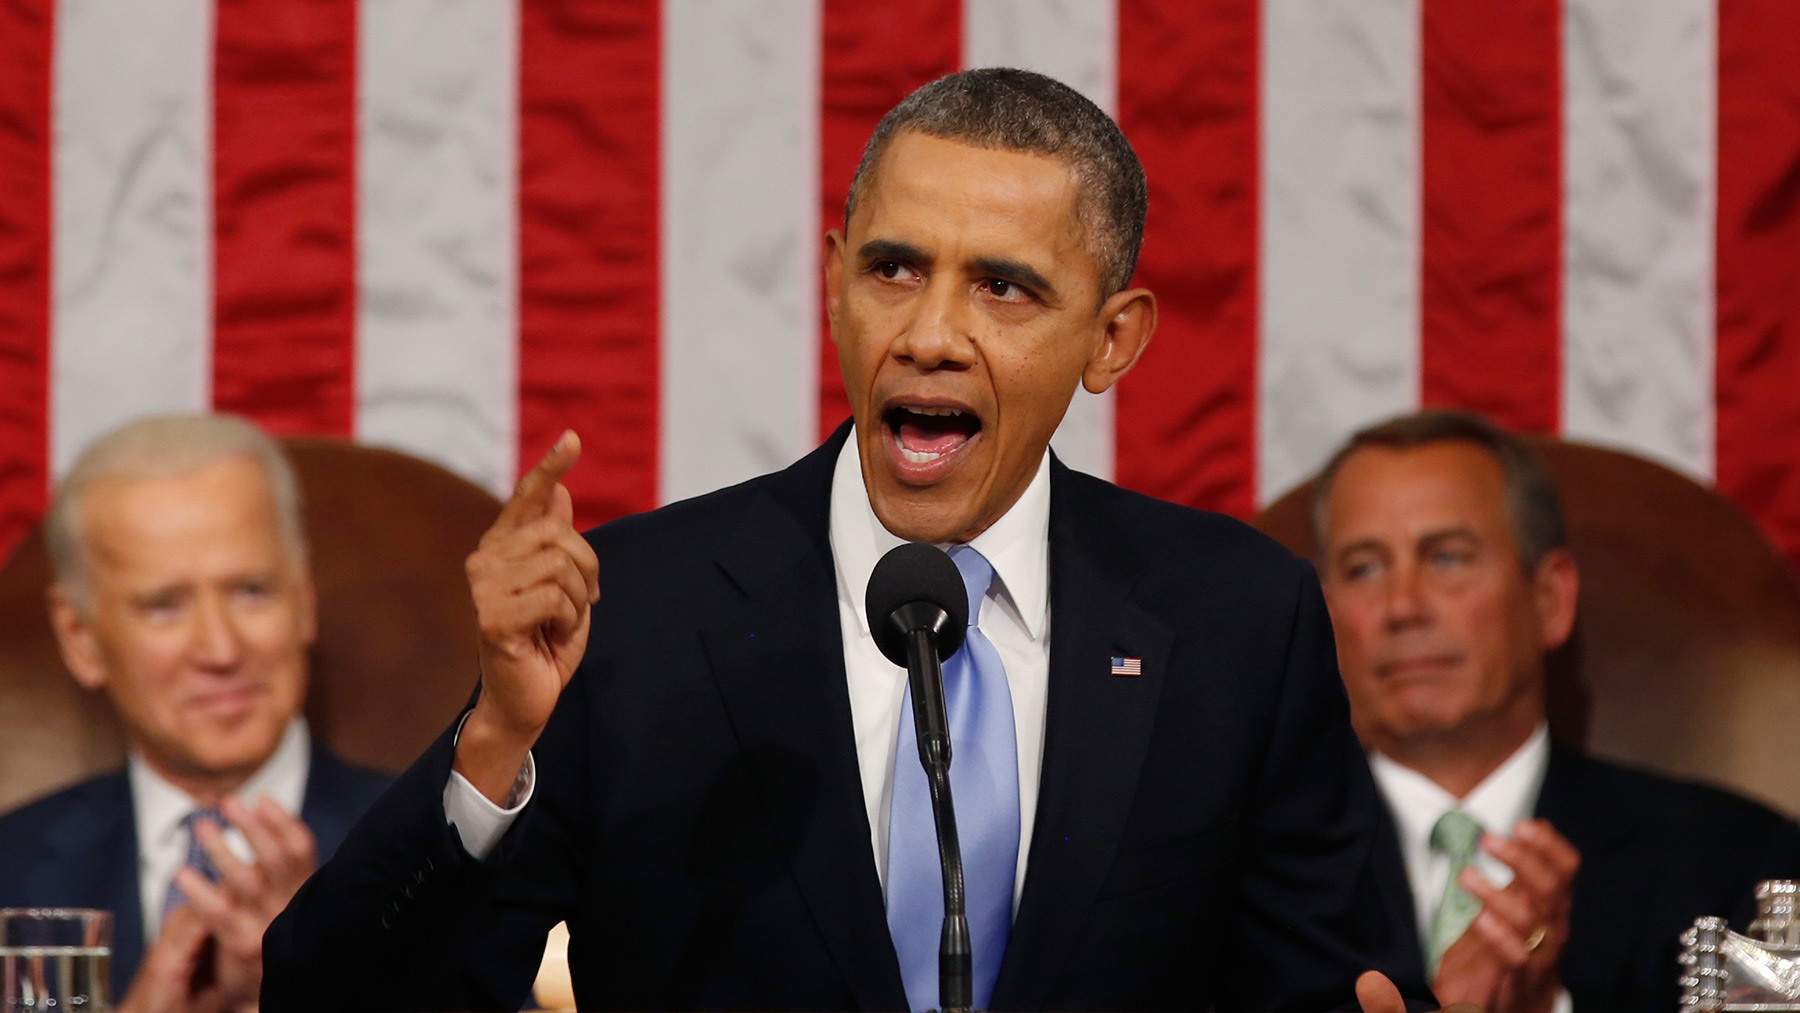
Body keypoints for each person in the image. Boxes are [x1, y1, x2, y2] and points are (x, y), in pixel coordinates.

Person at [264, 69, 1432, 1013]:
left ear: (1112, 339)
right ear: (834, 283)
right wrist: (494, 747)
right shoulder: (641, 617)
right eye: (894, 269)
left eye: (1004, 290)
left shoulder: (1235, 622)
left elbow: (1339, 983)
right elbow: (328, 999)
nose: (929, 333)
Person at [1313, 410, 1800, 1013]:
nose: (1402, 606)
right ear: (1325, 617)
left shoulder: (1748, 864)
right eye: (1364, 568)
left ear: (1550, 599)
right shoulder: (1235, 872)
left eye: (1447, 558)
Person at [0, 414, 390, 1013]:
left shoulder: (436, 853)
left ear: (304, 599)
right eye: (164, 606)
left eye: (252, 591)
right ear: (80, 637)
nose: (221, 650)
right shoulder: (10, 870)